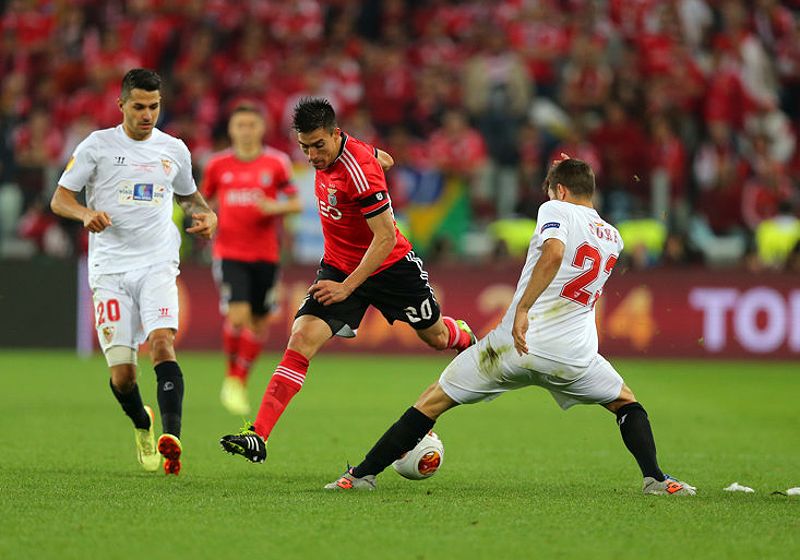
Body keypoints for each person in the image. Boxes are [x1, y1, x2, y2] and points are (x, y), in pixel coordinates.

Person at [324, 157, 696, 496]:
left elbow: (553, 253)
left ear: (560, 192)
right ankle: (657, 480)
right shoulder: (613, 236)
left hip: (515, 346)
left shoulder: (555, 208)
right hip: (574, 357)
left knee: (433, 400)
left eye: (552, 190)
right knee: (626, 403)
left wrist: (523, 309)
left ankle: (360, 476)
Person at [219, 97, 476, 463]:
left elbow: (385, 236)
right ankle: (258, 434)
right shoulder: (340, 150)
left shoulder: (358, 172)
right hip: (340, 266)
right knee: (302, 337)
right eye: (305, 147)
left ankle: (463, 335)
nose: (312, 156)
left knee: (434, 337)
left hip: (390, 267)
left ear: (336, 134)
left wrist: (347, 287)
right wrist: (376, 157)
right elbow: (384, 156)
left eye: (319, 146)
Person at [50, 68, 217, 476]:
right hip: (109, 270)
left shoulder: (174, 150)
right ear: (121, 104)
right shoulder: (97, 147)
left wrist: (206, 214)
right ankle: (143, 424)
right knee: (124, 376)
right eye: (139, 106)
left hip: (158, 262)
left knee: (162, 343)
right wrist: (85, 213)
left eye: (154, 106)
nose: (147, 114)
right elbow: (60, 199)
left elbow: (189, 196)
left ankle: (173, 438)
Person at [202, 103, 302, 415]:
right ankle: (232, 379)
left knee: (258, 323)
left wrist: (275, 208)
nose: (246, 130)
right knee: (237, 316)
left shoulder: (277, 163)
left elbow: (295, 202)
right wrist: (205, 219)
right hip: (230, 253)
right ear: (231, 130)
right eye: (240, 125)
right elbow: (203, 203)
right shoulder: (217, 165)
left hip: (266, 254)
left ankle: (240, 380)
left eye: (251, 125)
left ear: (262, 129)